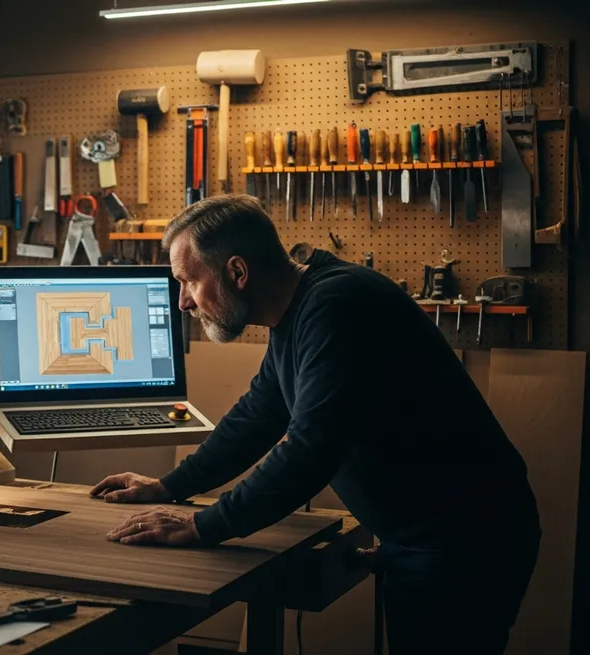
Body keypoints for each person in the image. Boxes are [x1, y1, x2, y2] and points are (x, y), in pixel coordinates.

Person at [90, 194, 540, 654]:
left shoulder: (335, 305)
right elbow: (256, 417)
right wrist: (168, 487)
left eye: (188, 281)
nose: (183, 301)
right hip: (430, 538)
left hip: (464, 543)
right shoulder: (299, 312)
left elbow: (310, 450)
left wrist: (202, 526)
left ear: (237, 273)